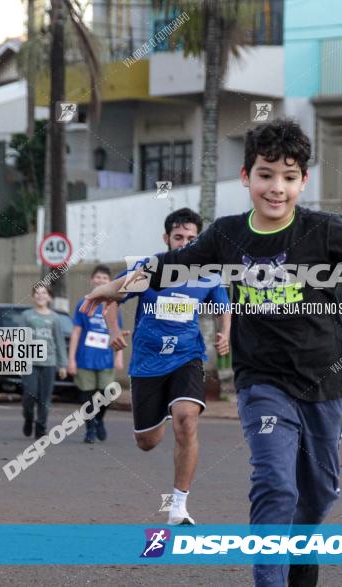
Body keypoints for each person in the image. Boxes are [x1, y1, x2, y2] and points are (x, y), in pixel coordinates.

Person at [82, 119, 342, 587]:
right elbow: (165, 267)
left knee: (317, 495)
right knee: (275, 483)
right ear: (246, 177)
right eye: (267, 174)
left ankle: (300, 550)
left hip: (325, 380)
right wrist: (113, 286)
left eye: (289, 177)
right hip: (261, 382)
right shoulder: (226, 236)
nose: (277, 188)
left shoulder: (325, 230)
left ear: (303, 181)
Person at [103, 207, 231, 526]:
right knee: (147, 442)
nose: (185, 244)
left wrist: (225, 334)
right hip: (148, 361)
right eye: (179, 237)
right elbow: (110, 302)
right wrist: (115, 333)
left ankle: (179, 507)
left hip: (187, 357)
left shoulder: (209, 273)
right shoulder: (149, 269)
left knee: (187, 420)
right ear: (167, 238)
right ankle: (159, 411)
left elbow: (223, 308)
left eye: (191, 238)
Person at [68, 264, 124, 443]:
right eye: (98, 277)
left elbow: (118, 332)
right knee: (87, 397)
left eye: (105, 278)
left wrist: (119, 356)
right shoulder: (83, 304)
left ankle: (99, 419)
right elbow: (76, 332)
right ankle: (89, 428)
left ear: (110, 282)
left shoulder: (112, 305)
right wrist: (71, 360)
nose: (100, 280)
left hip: (106, 358)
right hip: (85, 358)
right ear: (92, 280)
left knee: (106, 393)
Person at [20, 284, 68, 439]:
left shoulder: (55, 318)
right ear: (33, 296)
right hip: (30, 362)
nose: (40, 296)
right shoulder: (26, 316)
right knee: (30, 394)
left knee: (44, 397)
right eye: (37, 293)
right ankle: (28, 417)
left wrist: (62, 365)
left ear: (49, 297)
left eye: (44, 293)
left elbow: (59, 342)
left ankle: (41, 426)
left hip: (49, 362)